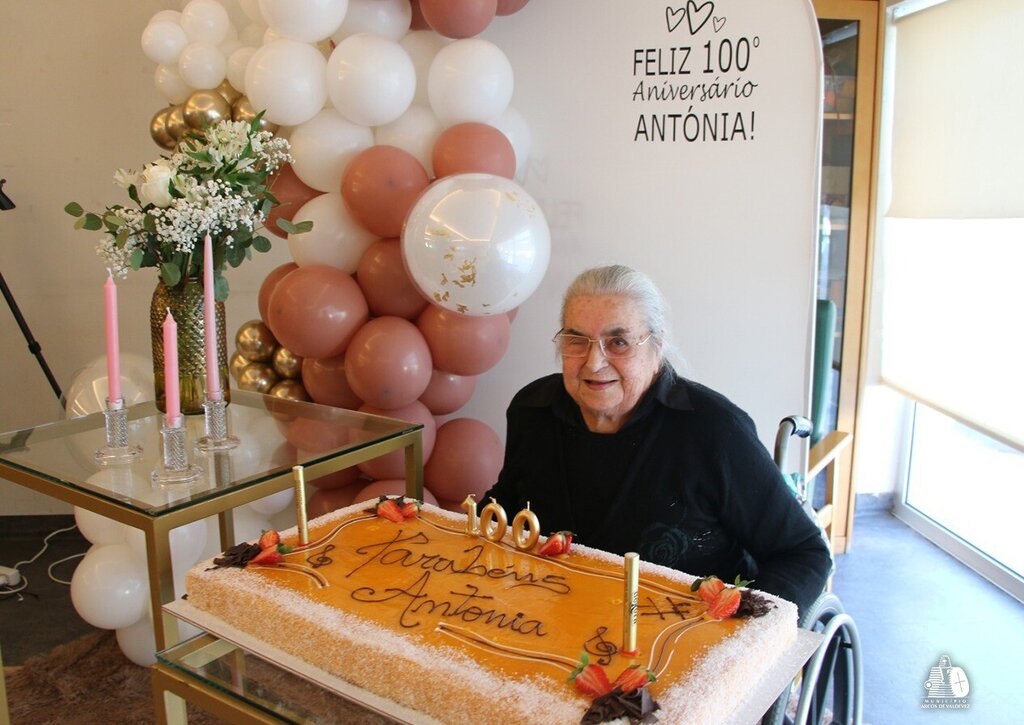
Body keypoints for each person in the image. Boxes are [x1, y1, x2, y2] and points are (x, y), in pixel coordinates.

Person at [481, 264, 831, 617]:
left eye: (618, 342)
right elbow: (508, 507)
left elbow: (803, 553)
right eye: (577, 340)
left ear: (657, 346)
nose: (594, 362)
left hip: (681, 633)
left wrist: (744, 630)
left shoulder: (715, 431)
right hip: (554, 617)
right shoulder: (533, 410)